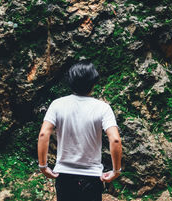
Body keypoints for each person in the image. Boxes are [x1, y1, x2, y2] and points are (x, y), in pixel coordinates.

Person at [37, 61, 122, 201]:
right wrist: (116, 170)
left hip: (64, 175)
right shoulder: (103, 108)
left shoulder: (57, 104)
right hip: (92, 177)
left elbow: (43, 133)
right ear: (93, 82)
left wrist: (43, 166)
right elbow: (115, 139)